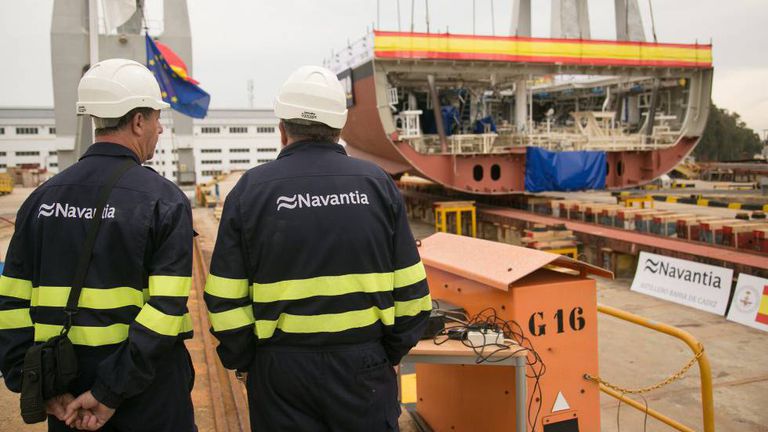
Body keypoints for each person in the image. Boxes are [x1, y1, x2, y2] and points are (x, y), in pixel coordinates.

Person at [204, 65, 432, 431]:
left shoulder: (251, 191)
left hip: (280, 372)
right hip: (364, 368)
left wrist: (247, 361)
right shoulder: (377, 185)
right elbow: (413, 296)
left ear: (282, 129)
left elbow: (224, 299)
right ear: (340, 128)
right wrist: (386, 353)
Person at [0, 58, 196, 431]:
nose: (159, 129)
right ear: (137, 121)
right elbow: (166, 309)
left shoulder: (41, 199)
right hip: (147, 394)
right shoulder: (163, 200)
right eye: (157, 119)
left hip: (64, 392)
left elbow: (10, 303)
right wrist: (109, 391)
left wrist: (36, 385)